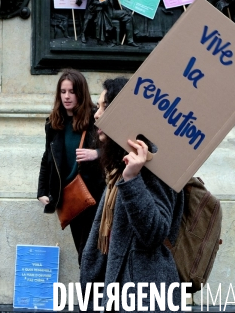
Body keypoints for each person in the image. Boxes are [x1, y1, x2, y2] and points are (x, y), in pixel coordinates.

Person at [80, 77, 184, 312]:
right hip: (120, 292)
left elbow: (155, 233)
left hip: (146, 295)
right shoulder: (119, 166)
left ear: (124, 113)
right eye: (98, 107)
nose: (96, 114)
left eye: (104, 106)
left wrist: (132, 180)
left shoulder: (153, 163)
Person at [37, 69, 105, 266]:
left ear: (81, 93)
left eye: (72, 91)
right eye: (63, 91)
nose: (67, 96)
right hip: (70, 197)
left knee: (93, 253)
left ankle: (94, 295)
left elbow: (117, 150)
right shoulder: (53, 123)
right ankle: (90, 295)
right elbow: (46, 159)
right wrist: (42, 191)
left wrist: (96, 154)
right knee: (83, 253)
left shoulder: (95, 118)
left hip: (94, 195)